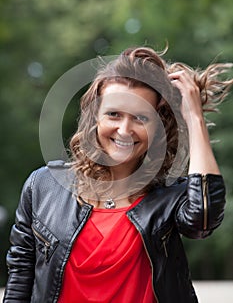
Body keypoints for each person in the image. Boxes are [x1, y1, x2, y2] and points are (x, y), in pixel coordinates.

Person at [3, 46, 232, 303]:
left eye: (140, 118)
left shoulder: (170, 197)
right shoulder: (43, 186)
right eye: (114, 114)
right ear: (95, 118)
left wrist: (194, 118)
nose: (124, 130)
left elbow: (203, 219)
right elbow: (20, 276)